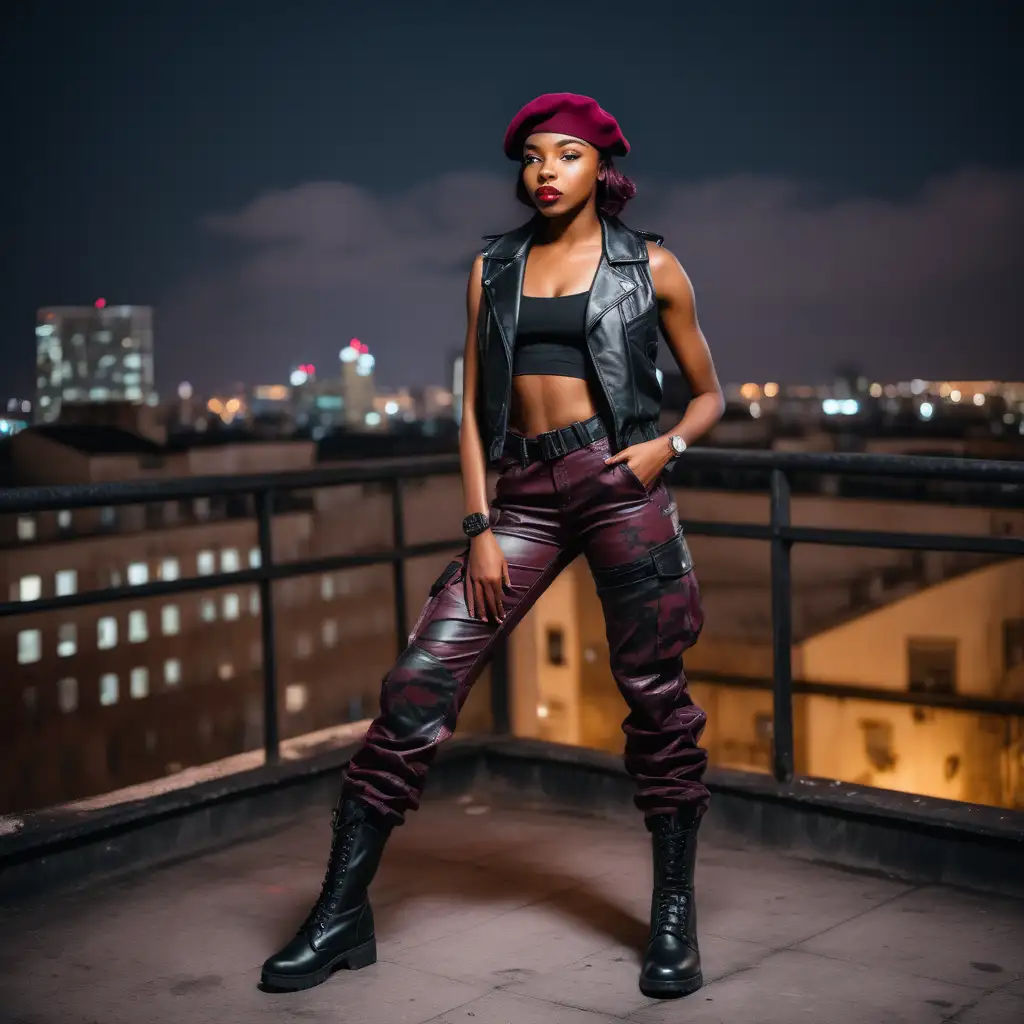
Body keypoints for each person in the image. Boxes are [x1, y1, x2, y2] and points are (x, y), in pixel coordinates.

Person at [261, 92, 725, 1000]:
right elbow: (475, 413)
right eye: (533, 158)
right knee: (417, 684)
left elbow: (710, 394)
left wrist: (665, 447)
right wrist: (479, 526)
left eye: (568, 156)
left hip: (619, 480)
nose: (546, 172)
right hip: (520, 496)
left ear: (602, 169)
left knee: (657, 699)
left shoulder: (654, 265)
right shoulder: (494, 268)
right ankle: (340, 914)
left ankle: (675, 918)